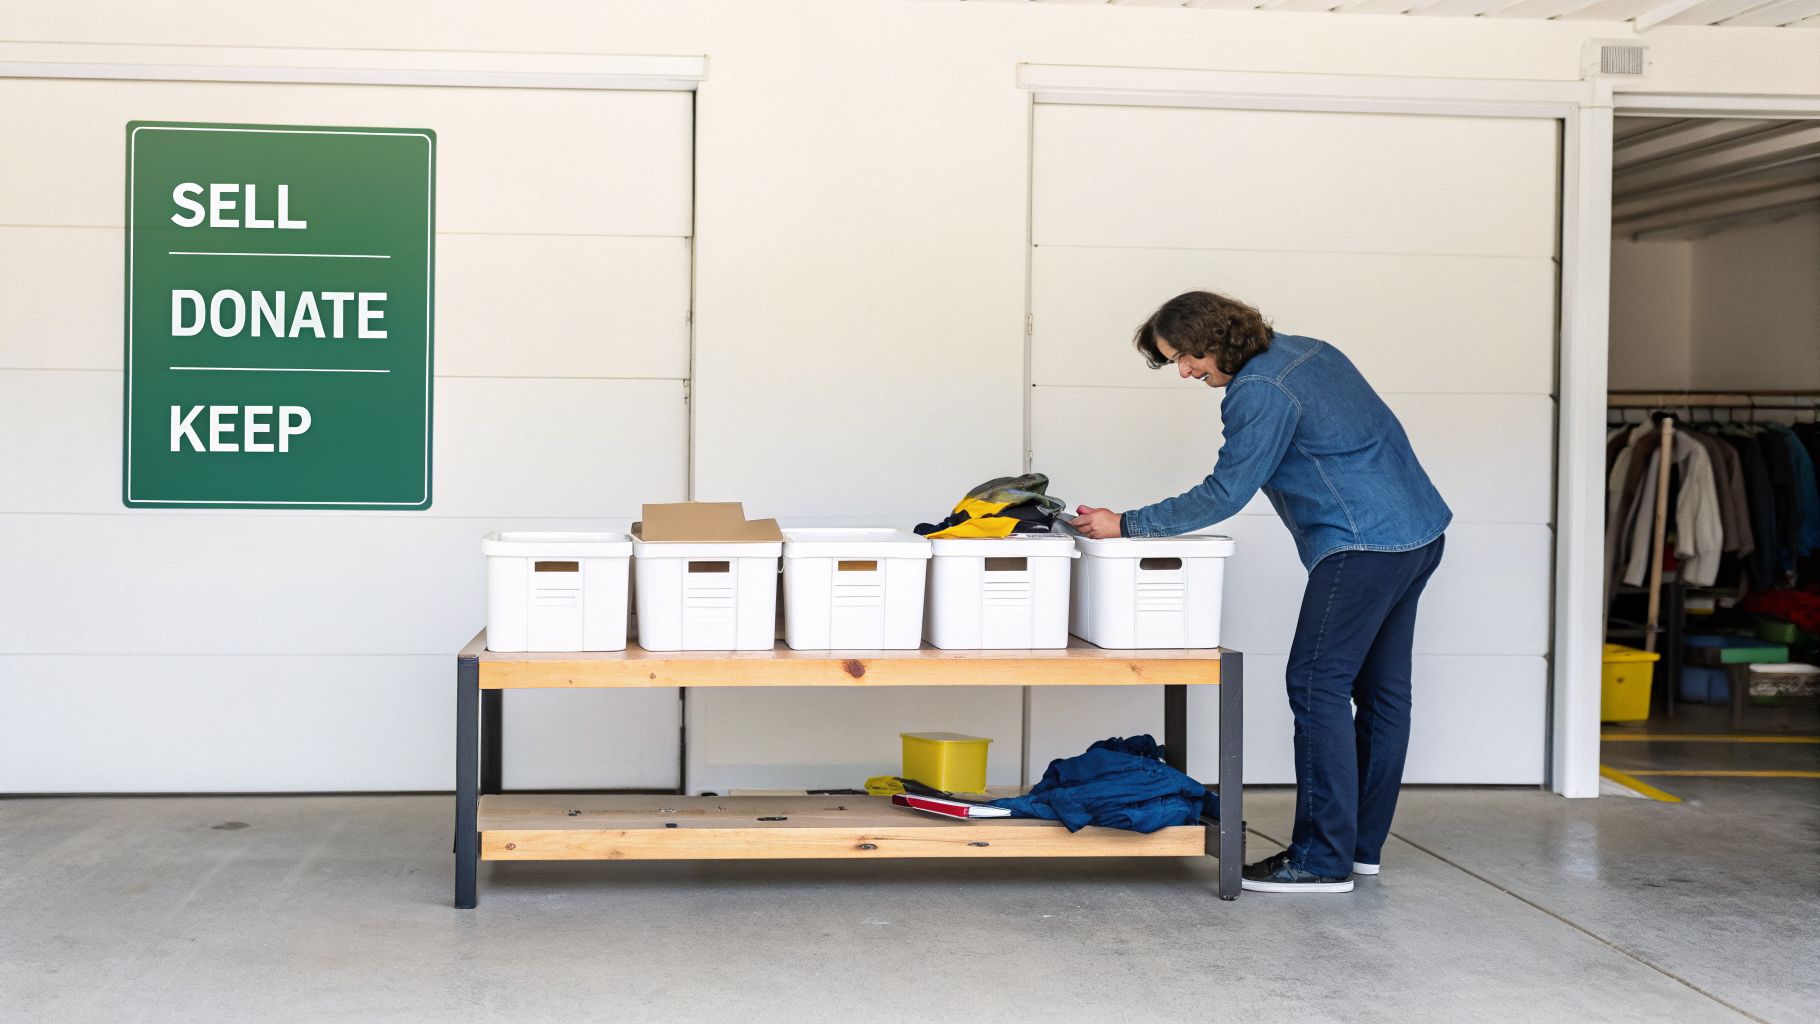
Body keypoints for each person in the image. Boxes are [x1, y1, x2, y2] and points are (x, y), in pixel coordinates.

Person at [1069, 291, 1450, 894]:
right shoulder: (1311, 352)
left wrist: (1127, 522)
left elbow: (1226, 492)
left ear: (1216, 340)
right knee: (1381, 695)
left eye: (1187, 357)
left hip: (1362, 545)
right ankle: (1357, 847)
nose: (1186, 372)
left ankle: (1321, 861)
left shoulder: (1260, 390)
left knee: (1316, 684)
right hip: (1418, 533)